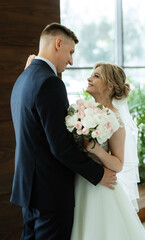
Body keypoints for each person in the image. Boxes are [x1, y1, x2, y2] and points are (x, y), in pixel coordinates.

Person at [10, 23, 117, 240]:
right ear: (58, 44)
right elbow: (60, 146)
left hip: (28, 187)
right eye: (70, 52)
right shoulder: (50, 82)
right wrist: (98, 174)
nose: (71, 61)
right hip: (50, 191)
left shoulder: (23, 78)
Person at [70, 62, 145, 240]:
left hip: (100, 189)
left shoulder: (115, 119)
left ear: (110, 86)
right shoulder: (83, 110)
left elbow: (119, 164)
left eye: (96, 76)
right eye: (92, 74)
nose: (89, 78)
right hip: (78, 183)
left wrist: (96, 150)